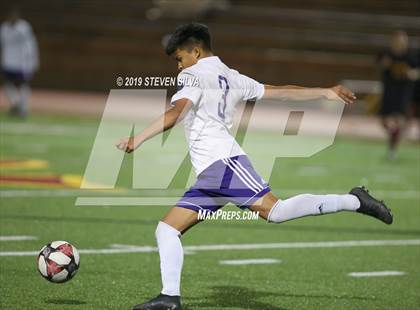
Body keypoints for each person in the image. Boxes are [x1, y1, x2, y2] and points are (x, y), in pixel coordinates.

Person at [116, 23, 393, 310]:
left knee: (276, 212)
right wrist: (323, 91)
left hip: (223, 165)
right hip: (212, 175)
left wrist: (139, 138)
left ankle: (354, 200)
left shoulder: (194, 76)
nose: (178, 67)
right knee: (166, 230)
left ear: (195, 51)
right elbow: (279, 91)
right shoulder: (230, 75)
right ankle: (169, 298)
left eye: (179, 59)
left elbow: (176, 112)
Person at [377, 31, 417, 159]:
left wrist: (411, 73)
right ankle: (394, 134)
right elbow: (379, 67)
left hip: (403, 92)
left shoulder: (411, 56)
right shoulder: (387, 54)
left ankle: (392, 149)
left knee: (399, 120)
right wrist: (385, 64)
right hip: (388, 91)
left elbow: (416, 72)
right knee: (383, 121)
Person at [0, 7, 39, 117]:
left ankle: (24, 108)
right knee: (7, 84)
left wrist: (33, 60)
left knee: (23, 84)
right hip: (8, 61)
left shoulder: (24, 28)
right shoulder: (4, 28)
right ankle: (16, 104)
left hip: (22, 62)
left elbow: (31, 45)